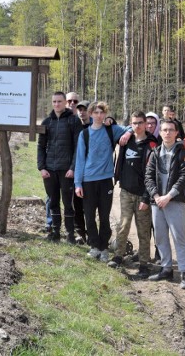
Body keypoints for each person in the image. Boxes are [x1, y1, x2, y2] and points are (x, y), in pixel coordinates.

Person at [75, 102, 130, 262]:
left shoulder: (110, 130)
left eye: (102, 112)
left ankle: (104, 247)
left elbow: (130, 128)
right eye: (96, 112)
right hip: (88, 180)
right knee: (90, 216)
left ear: (105, 114)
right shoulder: (84, 134)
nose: (99, 115)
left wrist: (126, 133)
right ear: (91, 114)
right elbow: (79, 159)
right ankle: (94, 246)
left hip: (106, 180)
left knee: (104, 216)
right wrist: (78, 183)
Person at [145, 119, 185, 289]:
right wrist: (157, 196)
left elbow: (184, 178)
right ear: (160, 132)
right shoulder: (154, 153)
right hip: (157, 202)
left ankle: (184, 272)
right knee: (160, 236)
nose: (167, 133)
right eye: (164, 130)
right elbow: (148, 177)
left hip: (174, 201)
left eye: (170, 130)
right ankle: (166, 268)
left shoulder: (183, 153)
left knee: (178, 236)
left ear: (176, 133)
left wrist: (169, 196)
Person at [109, 111, 157, 278]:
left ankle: (144, 263)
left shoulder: (151, 144)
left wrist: (146, 197)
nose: (137, 126)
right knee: (123, 225)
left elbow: (153, 174)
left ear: (145, 124)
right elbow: (111, 125)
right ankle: (118, 256)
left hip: (143, 194)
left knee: (143, 230)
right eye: (134, 123)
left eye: (140, 123)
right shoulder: (126, 139)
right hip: (126, 191)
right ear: (131, 124)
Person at [38, 92, 84, 243]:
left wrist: (73, 168)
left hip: (66, 170)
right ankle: (55, 232)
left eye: (59, 101)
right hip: (49, 170)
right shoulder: (46, 122)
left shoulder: (73, 121)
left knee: (67, 203)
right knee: (53, 201)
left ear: (65, 103)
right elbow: (41, 146)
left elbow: (78, 146)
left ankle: (70, 234)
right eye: (54, 102)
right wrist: (42, 167)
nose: (57, 104)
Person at [73, 99, 91, 243]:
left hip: (92, 172)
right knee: (76, 204)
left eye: (84, 109)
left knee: (91, 206)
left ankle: (92, 233)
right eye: (79, 109)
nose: (82, 112)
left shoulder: (97, 127)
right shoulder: (74, 125)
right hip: (77, 170)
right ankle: (80, 233)